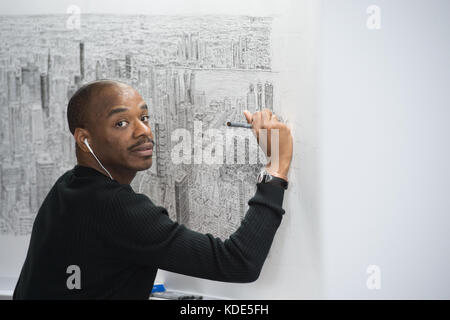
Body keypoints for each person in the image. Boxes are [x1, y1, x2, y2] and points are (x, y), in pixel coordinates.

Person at [13, 80, 293, 299]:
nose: (143, 131)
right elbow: (238, 262)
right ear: (85, 139)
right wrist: (276, 168)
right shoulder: (116, 207)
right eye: (121, 123)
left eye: (144, 118)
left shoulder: (67, 187)